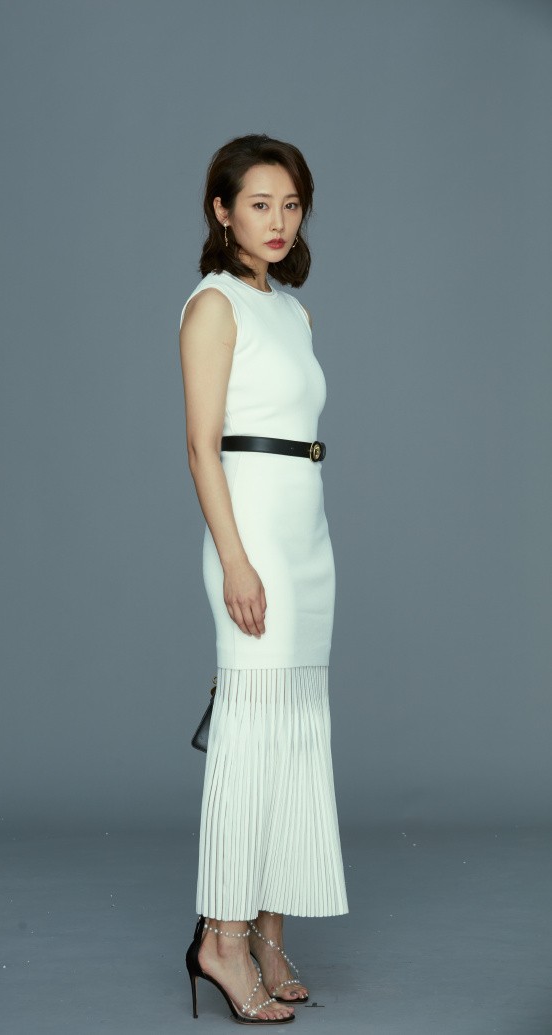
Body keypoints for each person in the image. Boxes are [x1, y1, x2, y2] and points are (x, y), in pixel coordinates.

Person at [179, 134, 349, 1025]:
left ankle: (271, 935)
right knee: (251, 734)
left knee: (294, 732)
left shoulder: (293, 310)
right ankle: (222, 938)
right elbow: (201, 446)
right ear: (222, 211)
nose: (278, 220)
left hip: (306, 537)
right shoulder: (213, 305)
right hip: (251, 540)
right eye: (258, 204)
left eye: (290, 204)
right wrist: (236, 559)